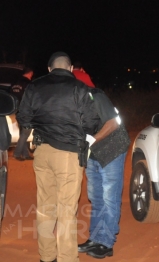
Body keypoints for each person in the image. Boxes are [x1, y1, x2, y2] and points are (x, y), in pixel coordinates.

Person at [17, 51, 100, 262]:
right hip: (69, 155)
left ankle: (47, 257)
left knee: (45, 207)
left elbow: (23, 116)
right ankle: (67, 258)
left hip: (42, 153)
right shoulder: (80, 89)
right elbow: (92, 123)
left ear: (49, 69)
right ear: (71, 69)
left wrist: (26, 139)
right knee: (66, 210)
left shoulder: (34, 86)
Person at [76, 84, 130, 258]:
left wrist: (91, 141)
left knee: (109, 197)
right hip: (94, 153)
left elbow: (113, 123)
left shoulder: (95, 96)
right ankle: (95, 238)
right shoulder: (72, 102)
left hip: (112, 149)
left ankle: (106, 243)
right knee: (96, 198)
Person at [11, 67, 34, 161]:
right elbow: (31, 98)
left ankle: (25, 154)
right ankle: (16, 153)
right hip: (26, 111)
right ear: (29, 73)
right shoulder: (28, 84)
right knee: (26, 133)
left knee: (22, 133)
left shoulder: (14, 84)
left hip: (17, 111)